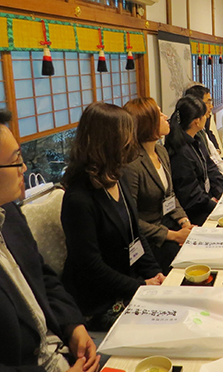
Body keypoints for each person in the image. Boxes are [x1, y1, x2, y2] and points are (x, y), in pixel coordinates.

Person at [0, 106, 99, 372]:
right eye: (14, 161)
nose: (23, 168)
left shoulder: (8, 214)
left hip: (64, 354)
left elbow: (43, 277)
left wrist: (73, 325)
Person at [61, 102, 165, 331]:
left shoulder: (117, 176)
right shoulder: (79, 198)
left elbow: (136, 236)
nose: (133, 142)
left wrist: (154, 272)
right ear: (108, 142)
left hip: (129, 280)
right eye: (127, 136)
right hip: (99, 299)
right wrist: (140, 285)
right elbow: (91, 267)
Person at [123, 97, 193, 275]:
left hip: (170, 223)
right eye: (159, 114)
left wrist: (184, 222)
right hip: (150, 238)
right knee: (186, 264)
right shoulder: (131, 164)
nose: (166, 116)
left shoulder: (160, 151)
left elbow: (170, 195)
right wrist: (174, 235)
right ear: (147, 124)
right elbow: (131, 219)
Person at [166, 95, 223, 225]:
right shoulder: (180, 152)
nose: (207, 117)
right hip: (195, 211)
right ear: (197, 121)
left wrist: (221, 195)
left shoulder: (196, 139)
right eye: (204, 115)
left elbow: (212, 169)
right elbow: (191, 195)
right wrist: (216, 206)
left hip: (208, 199)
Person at [184, 84, 223, 185]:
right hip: (210, 175)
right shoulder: (191, 135)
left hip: (217, 164)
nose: (212, 106)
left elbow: (210, 137)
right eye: (208, 102)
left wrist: (217, 150)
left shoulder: (204, 123)